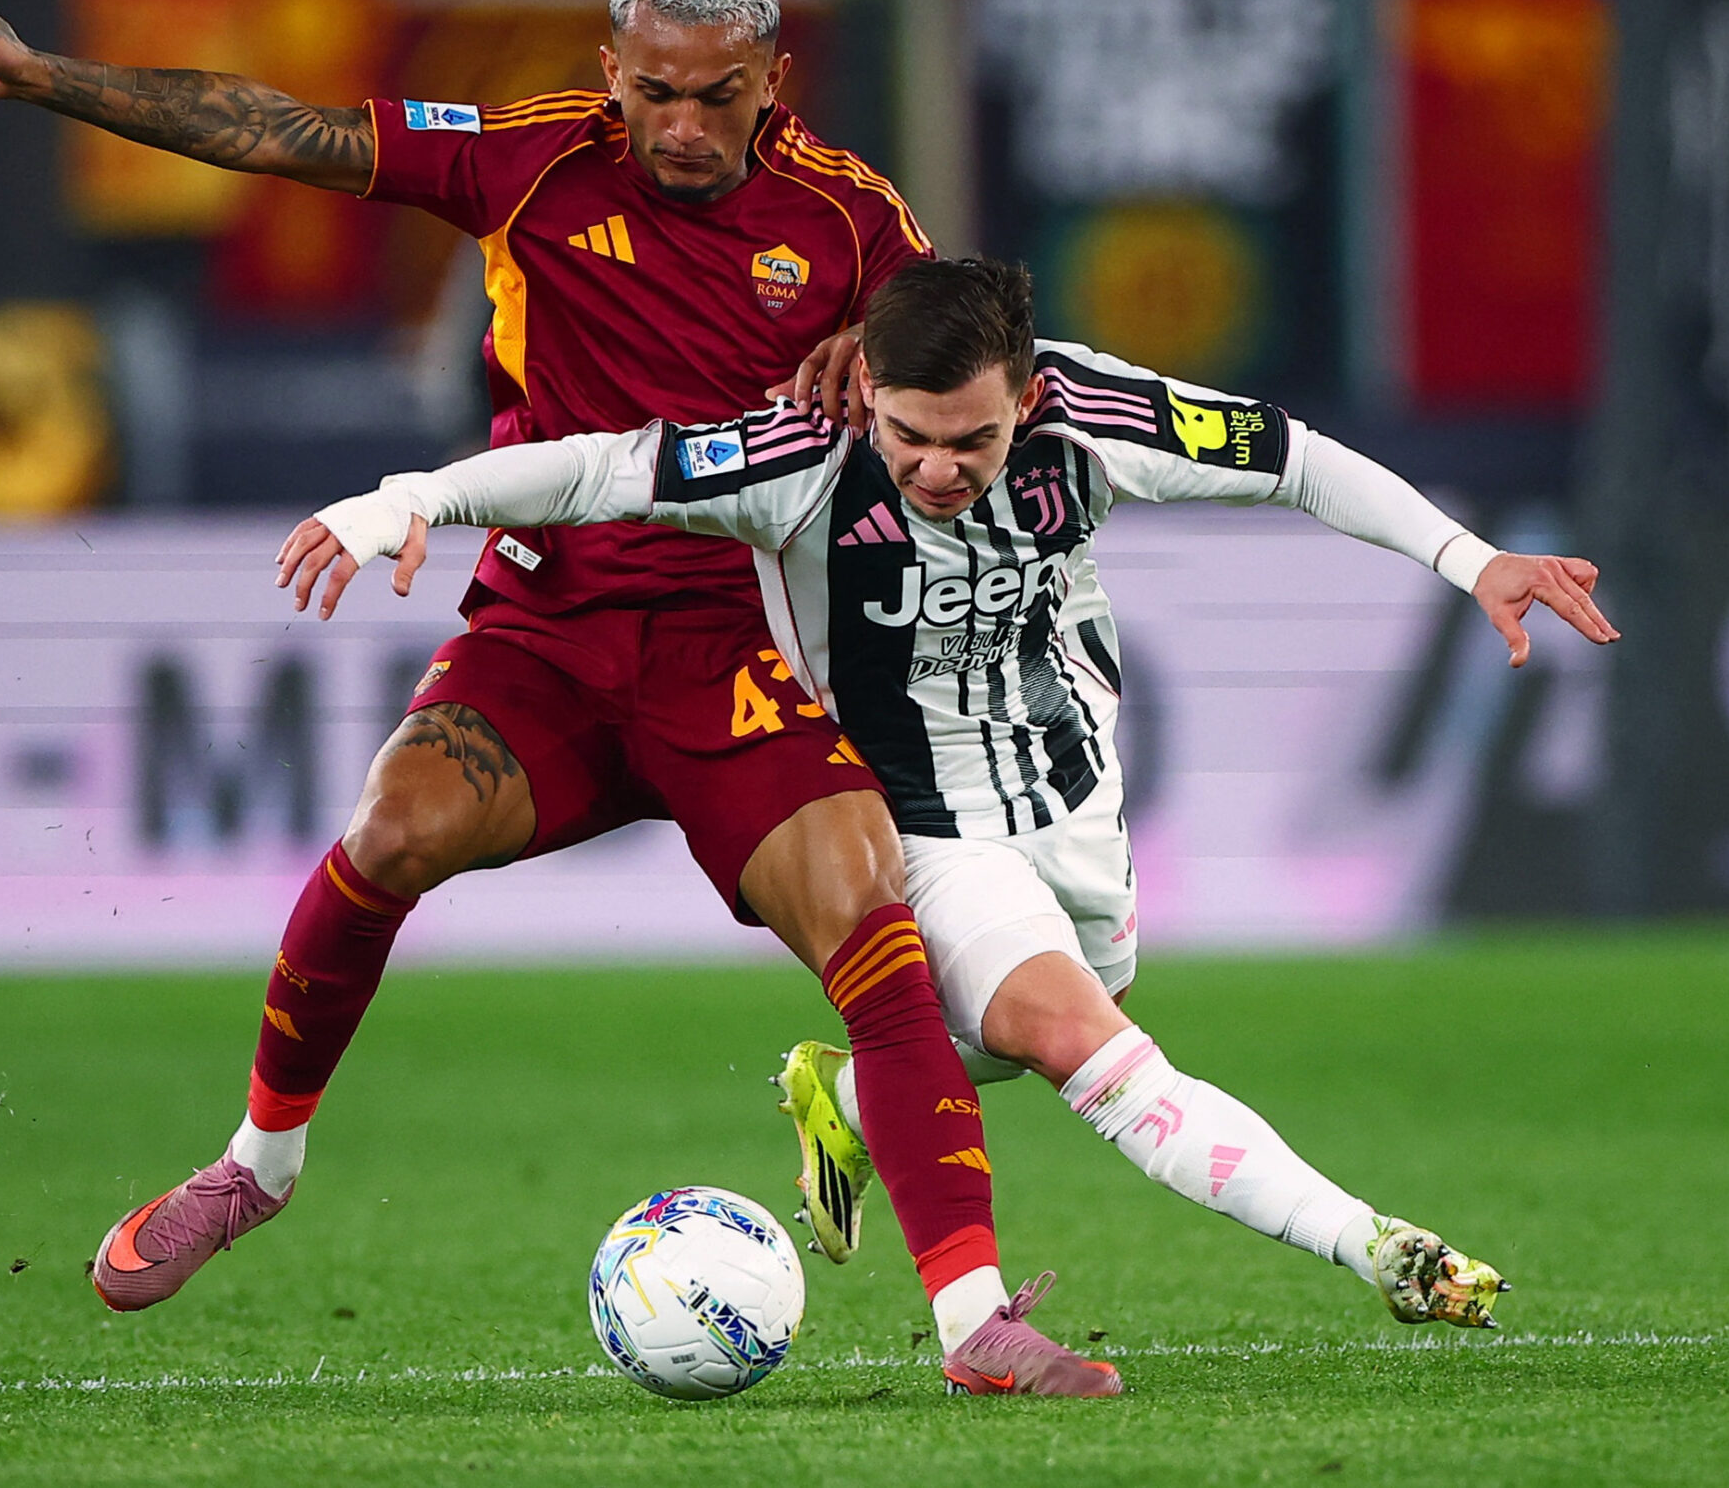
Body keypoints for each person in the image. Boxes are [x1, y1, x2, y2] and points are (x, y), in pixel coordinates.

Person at [0, 0, 1116, 1396]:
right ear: (610, 71)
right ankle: (255, 1166)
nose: (685, 126)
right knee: (390, 831)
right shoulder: (529, 161)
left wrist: (871, 344)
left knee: (870, 917)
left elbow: (963, 363)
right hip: (548, 631)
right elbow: (282, 132)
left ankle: (974, 1323)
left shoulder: (852, 219)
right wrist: (38, 76)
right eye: (655, 93)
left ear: (774, 79)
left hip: (739, 647)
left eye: (719, 96)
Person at [282, 257, 1623, 1334]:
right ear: (868, 392)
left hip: (1074, 804)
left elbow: (1294, 457)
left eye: (972, 439)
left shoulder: (1096, 415)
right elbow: (593, 469)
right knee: (1087, 1045)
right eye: (910, 436)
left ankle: (854, 1096)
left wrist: (1471, 560)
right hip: (912, 832)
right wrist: (412, 499)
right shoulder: (796, 453)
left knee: (1058, 1014)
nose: (935, 468)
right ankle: (1381, 1248)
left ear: (1027, 395)